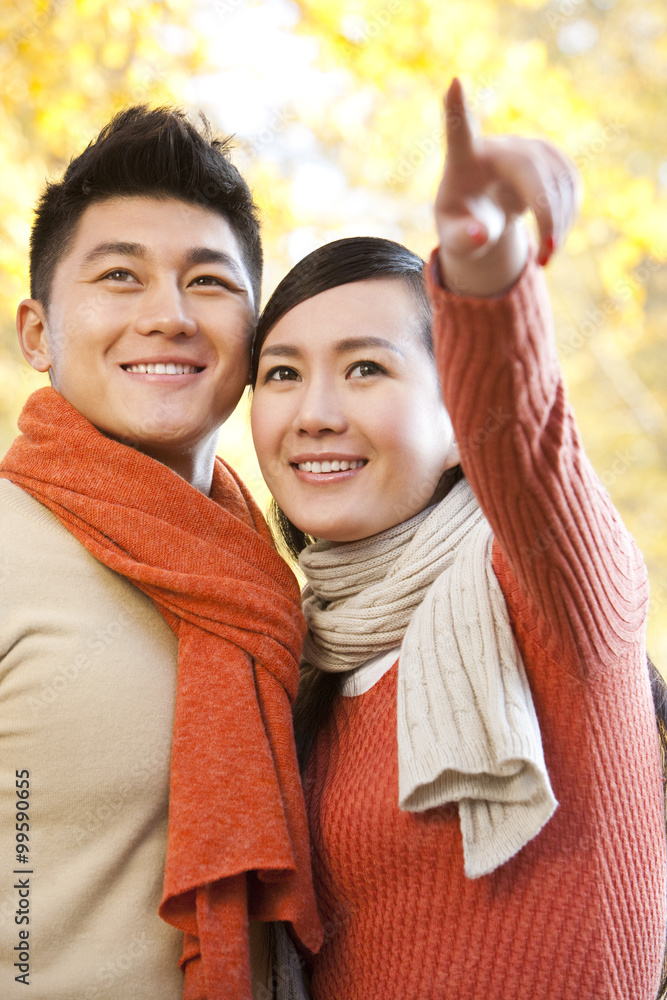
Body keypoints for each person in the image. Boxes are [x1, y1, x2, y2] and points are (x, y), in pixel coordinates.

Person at [250, 79, 667, 999]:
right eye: (281, 373)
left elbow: (522, 439)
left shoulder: (550, 594)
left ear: (454, 417)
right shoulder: (295, 661)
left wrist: (485, 265)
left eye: (366, 367)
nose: (314, 412)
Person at [0, 106, 322, 1000]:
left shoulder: (275, 582)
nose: (168, 316)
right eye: (119, 276)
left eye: (209, 281)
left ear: (255, 334)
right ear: (37, 333)